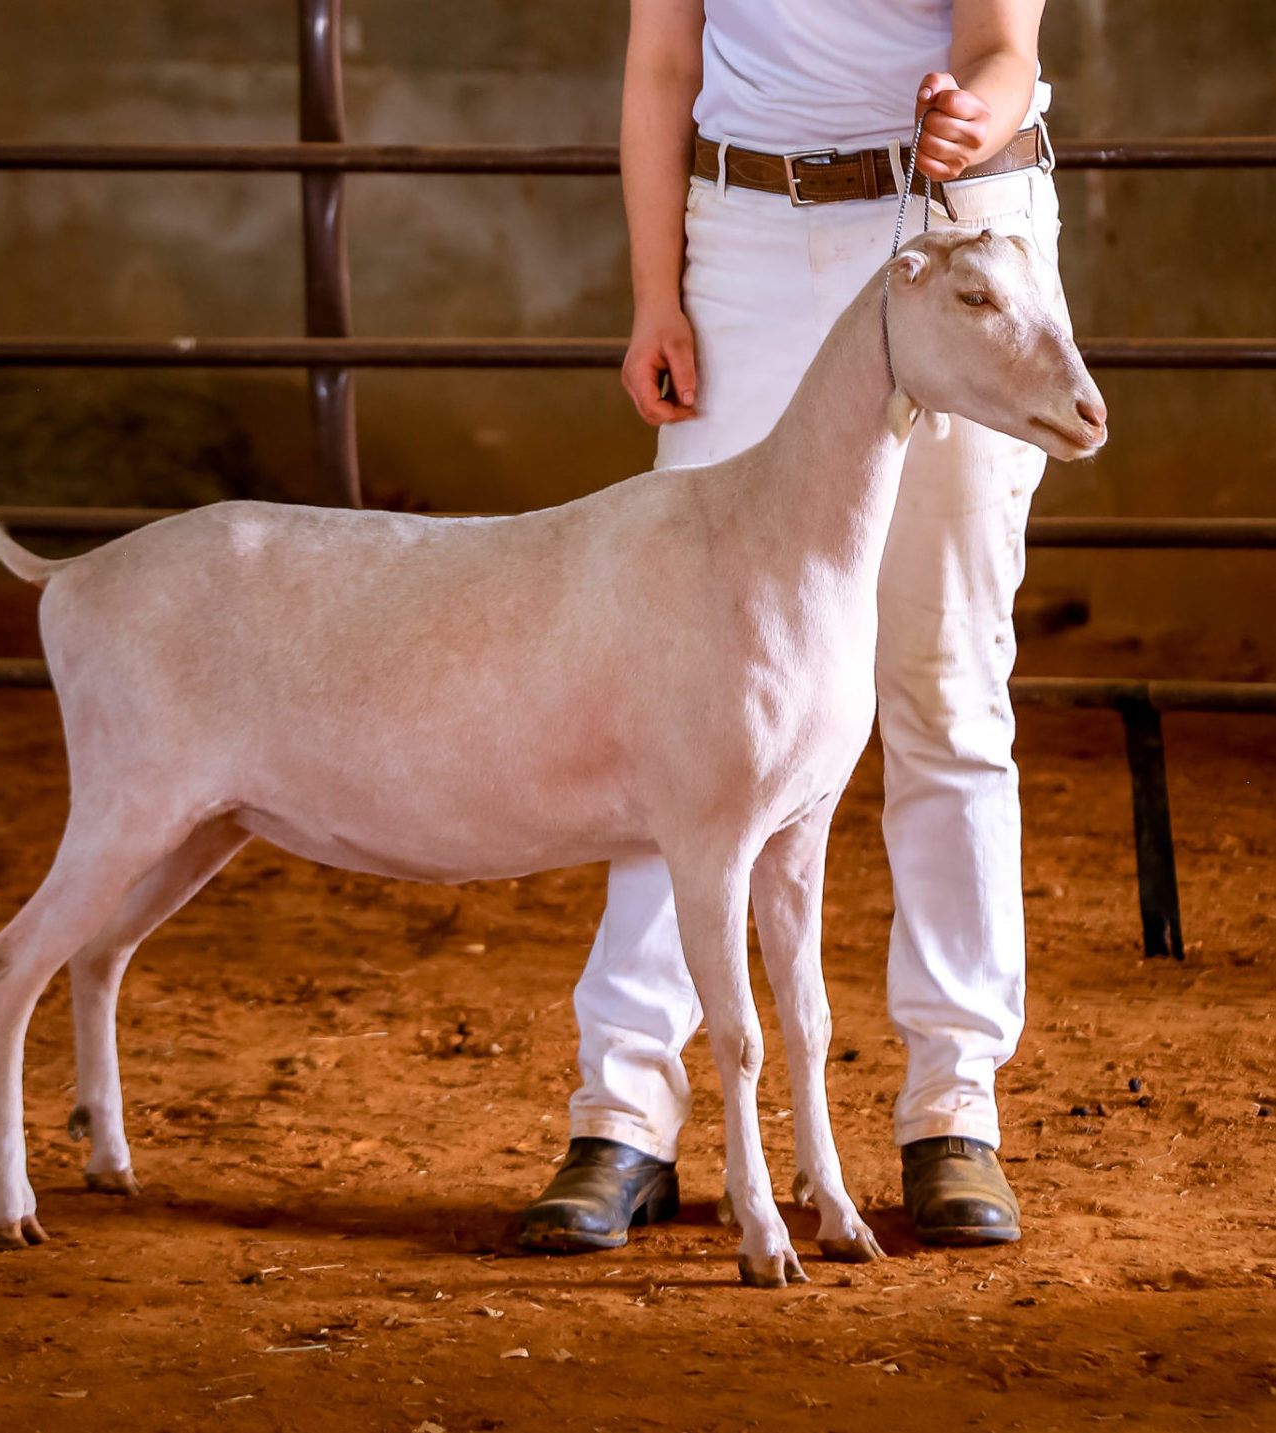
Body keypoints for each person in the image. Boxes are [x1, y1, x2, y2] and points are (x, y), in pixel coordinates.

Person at [519, 0, 1060, 1251]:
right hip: (748, 234)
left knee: (941, 677)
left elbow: (1004, 45)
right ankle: (626, 1106)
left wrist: (970, 114)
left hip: (948, 227)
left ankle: (952, 1102)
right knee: (687, 696)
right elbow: (664, 57)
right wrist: (656, 291)